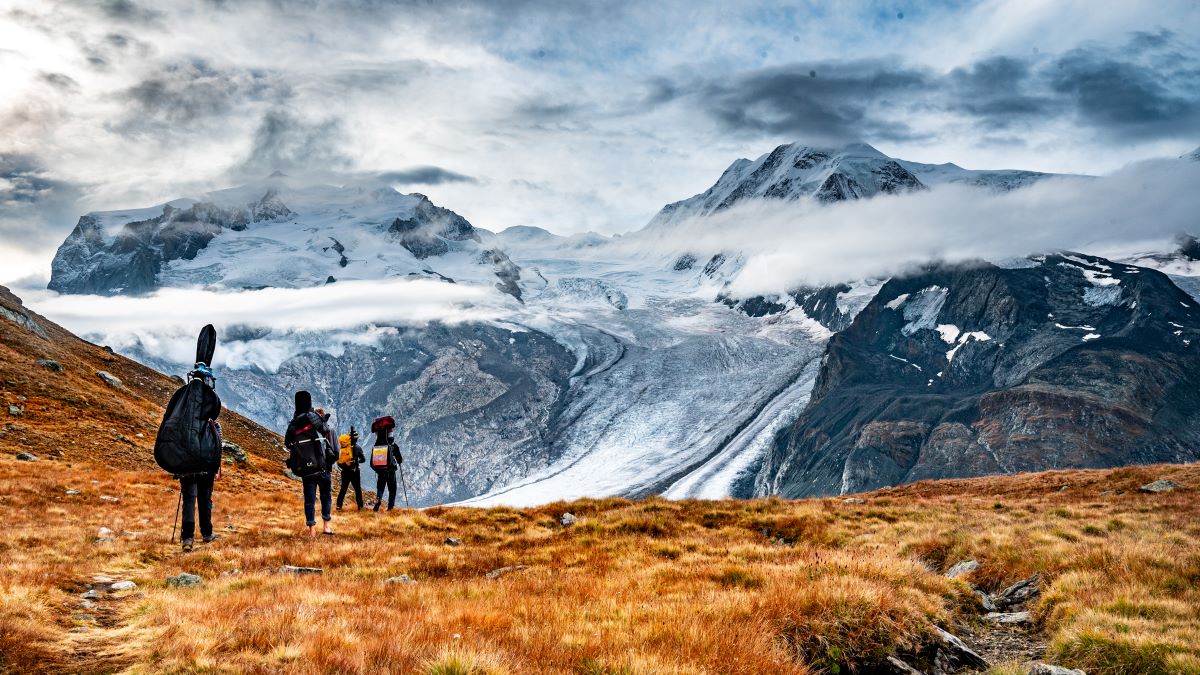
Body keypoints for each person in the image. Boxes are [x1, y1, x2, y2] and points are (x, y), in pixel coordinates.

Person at [180, 362, 221, 552]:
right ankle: (207, 533)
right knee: (205, 499)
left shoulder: (183, 407)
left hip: (186, 462)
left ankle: (187, 538)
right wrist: (217, 466)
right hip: (206, 462)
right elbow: (217, 440)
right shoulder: (211, 412)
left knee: (189, 499)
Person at [286, 391, 335, 537]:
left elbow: (288, 443)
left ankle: (312, 530)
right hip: (322, 466)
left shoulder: (293, 424)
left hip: (306, 469)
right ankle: (326, 526)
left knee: (309, 499)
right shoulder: (314, 418)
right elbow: (326, 431)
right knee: (326, 495)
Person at [369, 424, 402, 511]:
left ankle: (376, 507)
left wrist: (378, 469)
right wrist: (397, 461)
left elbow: (372, 461)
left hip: (380, 472)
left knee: (380, 490)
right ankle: (390, 509)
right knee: (392, 490)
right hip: (390, 472)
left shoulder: (377, 446)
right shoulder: (393, 446)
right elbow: (400, 459)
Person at [336, 427, 365, 510]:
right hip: (355, 472)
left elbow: (339, 461)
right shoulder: (358, 448)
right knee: (357, 489)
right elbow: (363, 459)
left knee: (343, 489)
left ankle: (339, 505)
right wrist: (356, 461)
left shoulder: (343, 448)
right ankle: (360, 506)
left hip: (344, 472)